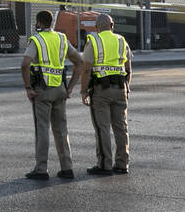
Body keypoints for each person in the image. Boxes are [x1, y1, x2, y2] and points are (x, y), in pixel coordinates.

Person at [21, 9, 83, 180]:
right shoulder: (62, 39)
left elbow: (25, 64)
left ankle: (41, 169)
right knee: (61, 130)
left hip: (42, 90)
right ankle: (67, 167)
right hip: (60, 90)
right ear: (52, 23)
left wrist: (28, 87)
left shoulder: (37, 40)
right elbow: (79, 61)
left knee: (42, 130)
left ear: (39, 23)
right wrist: (70, 87)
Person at [80, 12, 133, 175]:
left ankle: (105, 164)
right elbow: (128, 69)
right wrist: (127, 88)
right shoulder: (121, 41)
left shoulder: (93, 41)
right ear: (112, 26)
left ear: (96, 28)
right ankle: (122, 164)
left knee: (102, 127)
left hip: (101, 91)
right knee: (121, 127)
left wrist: (83, 91)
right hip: (120, 89)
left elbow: (87, 69)